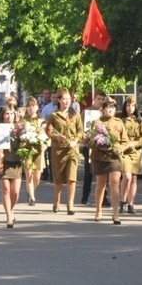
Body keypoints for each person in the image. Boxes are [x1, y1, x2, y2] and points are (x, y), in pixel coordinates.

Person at [86, 97, 129, 224]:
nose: (110, 110)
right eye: (108, 107)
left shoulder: (119, 122)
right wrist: (96, 144)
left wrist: (120, 148)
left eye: (112, 107)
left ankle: (115, 213)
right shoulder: (96, 122)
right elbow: (89, 141)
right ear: (103, 109)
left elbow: (125, 141)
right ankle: (98, 210)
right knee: (101, 184)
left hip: (114, 158)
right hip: (99, 157)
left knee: (115, 183)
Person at [46, 87, 83, 215]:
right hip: (58, 150)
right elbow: (49, 130)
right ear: (59, 100)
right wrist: (57, 137)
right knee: (59, 178)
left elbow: (80, 131)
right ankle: (57, 200)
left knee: (72, 178)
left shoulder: (75, 115)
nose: (67, 101)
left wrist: (76, 140)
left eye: (68, 99)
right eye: (64, 99)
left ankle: (70, 203)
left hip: (72, 150)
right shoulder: (54, 115)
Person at [120, 95, 142, 215]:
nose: (130, 108)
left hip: (136, 152)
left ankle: (130, 204)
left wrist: (136, 143)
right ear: (125, 106)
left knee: (134, 179)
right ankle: (122, 201)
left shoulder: (140, 120)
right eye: (128, 105)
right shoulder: (121, 120)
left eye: (132, 105)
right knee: (126, 177)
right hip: (125, 152)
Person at [80, 91, 108, 206]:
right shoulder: (86, 112)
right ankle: (85, 197)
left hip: (102, 145)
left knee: (103, 172)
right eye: (99, 99)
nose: (101, 101)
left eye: (103, 99)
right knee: (89, 171)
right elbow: (81, 128)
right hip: (89, 144)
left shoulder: (105, 112)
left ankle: (104, 198)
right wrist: (84, 139)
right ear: (94, 99)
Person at [0, 107, 22, 228]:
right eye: (6, 113)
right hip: (3, 162)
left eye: (11, 113)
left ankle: (11, 210)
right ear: (3, 116)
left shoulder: (20, 129)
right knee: (6, 189)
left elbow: (25, 144)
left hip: (16, 162)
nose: (9, 116)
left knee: (15, 192)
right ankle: (8, 216)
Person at [20, 96, 46, 206]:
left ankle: (30, 191)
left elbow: (46, 135)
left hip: (39, 151)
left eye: (33, 106)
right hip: (27, 149)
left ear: (37, 107)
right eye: (29, 106)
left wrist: (45, 144)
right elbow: (19, 134)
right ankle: (32, 197)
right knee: (29, 174)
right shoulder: (23, 120)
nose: (31, 108)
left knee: (37, 177)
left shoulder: (42, 120)